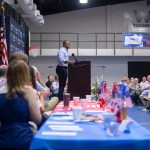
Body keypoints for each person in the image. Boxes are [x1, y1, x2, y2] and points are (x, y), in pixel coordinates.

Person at [0, 60, 41, 150]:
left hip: (3, 141)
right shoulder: (29, 91)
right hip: (24, 140)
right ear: (26, 74)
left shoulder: (0, 92)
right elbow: (37, 119)